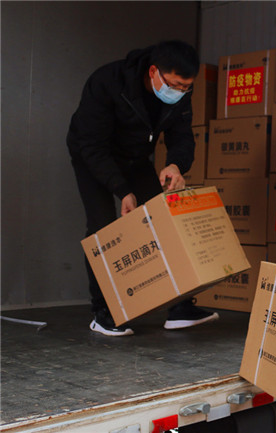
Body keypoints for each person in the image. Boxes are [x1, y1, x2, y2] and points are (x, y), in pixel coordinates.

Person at [67, 40, 218, 337]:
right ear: (153, 72)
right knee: (102, 228)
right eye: (174, 85)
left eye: (186, 87)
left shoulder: (180, 92)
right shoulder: (107, 82)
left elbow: (182, 136)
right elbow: (92, 146)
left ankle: (179, 307)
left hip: (135, 157)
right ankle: (104, 312)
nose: (180, 92)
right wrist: (122, 189)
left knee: (161, 219)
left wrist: (175, 165)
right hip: (92, 155)